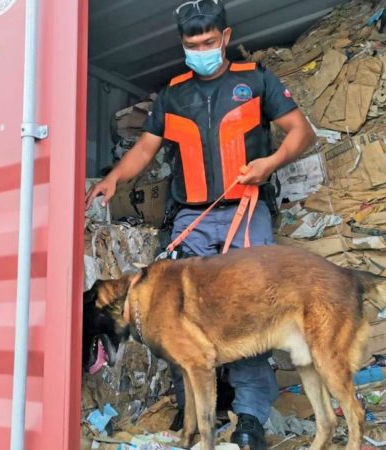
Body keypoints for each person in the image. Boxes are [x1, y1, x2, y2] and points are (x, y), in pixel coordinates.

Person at [85, 0, 315, 448]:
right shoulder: (172, 94)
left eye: (209, 42)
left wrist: (269, 162)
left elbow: (301, 131)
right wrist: (114, 177)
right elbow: (145, 149)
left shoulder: (256, 80)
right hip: (192, 217)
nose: (201, 50)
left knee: (250, 317)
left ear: (225, 38)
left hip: (246, 210)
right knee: (168, 317)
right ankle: (192, 410)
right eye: (193, 45)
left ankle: (249, 417)